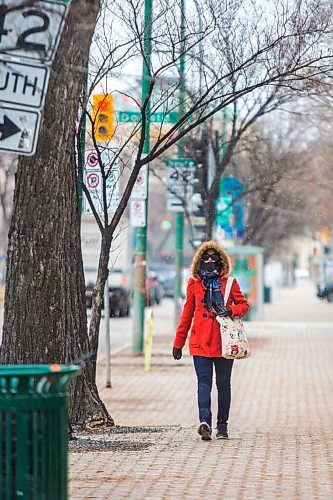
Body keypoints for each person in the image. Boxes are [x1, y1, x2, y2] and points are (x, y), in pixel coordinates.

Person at [172, 241, 249, 441]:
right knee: (203, 383)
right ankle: (204, 422)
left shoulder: (230, 283)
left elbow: (244, 305)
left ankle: (222, 426)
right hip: (200, 343)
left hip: (223, 342)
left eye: (214, 258)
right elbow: (187, 314)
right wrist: (178, 343)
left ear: (221, 261)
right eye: (205, 257)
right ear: (199, 261)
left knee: (223, 385)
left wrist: (230, 310)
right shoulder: (194, 284)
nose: (209, 261)